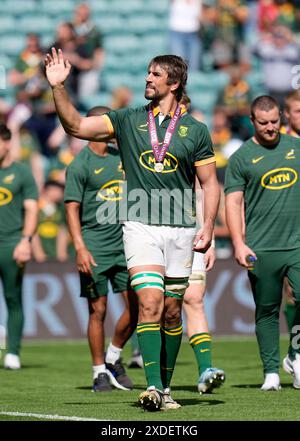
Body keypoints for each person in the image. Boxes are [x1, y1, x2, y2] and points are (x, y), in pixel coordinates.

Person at [45, 49, 220, 410]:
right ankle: (153, 388)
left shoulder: (197, 131)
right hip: (140, 225)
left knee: (173, 311)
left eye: (155, 75)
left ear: (173, 83)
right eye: (147, 73)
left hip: (181, 229)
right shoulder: (126, 119)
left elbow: (210, 183)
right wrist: (58, 87)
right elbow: (76, 126)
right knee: (151, 302)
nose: (147, 79)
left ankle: (167, 389)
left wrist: (209, 226)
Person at [225, 95, 300, 391]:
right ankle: (271, 372)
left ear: (281, 118)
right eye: (263, 123)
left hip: (297, 244)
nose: (270, 128)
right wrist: (239, 243)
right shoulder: (241, 157)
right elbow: (232, 204)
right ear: (252, 121)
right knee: (267, 309)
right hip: (261, 246)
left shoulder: (297, 148)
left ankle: (295, 354)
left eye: (274, 122)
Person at [64, 105, 137, 392]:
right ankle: (99, 373)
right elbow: (71, 209)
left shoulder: (123, 158)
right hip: (94, 247)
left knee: (138, 305)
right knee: (98, 310)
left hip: (125, 244)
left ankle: (113, 356)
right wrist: (80, 247)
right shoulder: (79, 164)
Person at [0, 124, 38, 369]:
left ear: (6, 142)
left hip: (12, 243)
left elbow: (32, 209)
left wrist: (26, 240)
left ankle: (12, 351)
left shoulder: (21, 173)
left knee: (13, 298)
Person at [183, 180, 225, 393]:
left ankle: (205, 369)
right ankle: (158, 380)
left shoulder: (192, 146)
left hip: (192, 232)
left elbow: (205, 191)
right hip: (151, 233)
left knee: (194, 299)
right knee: (160, 306)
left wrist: (211, 241)